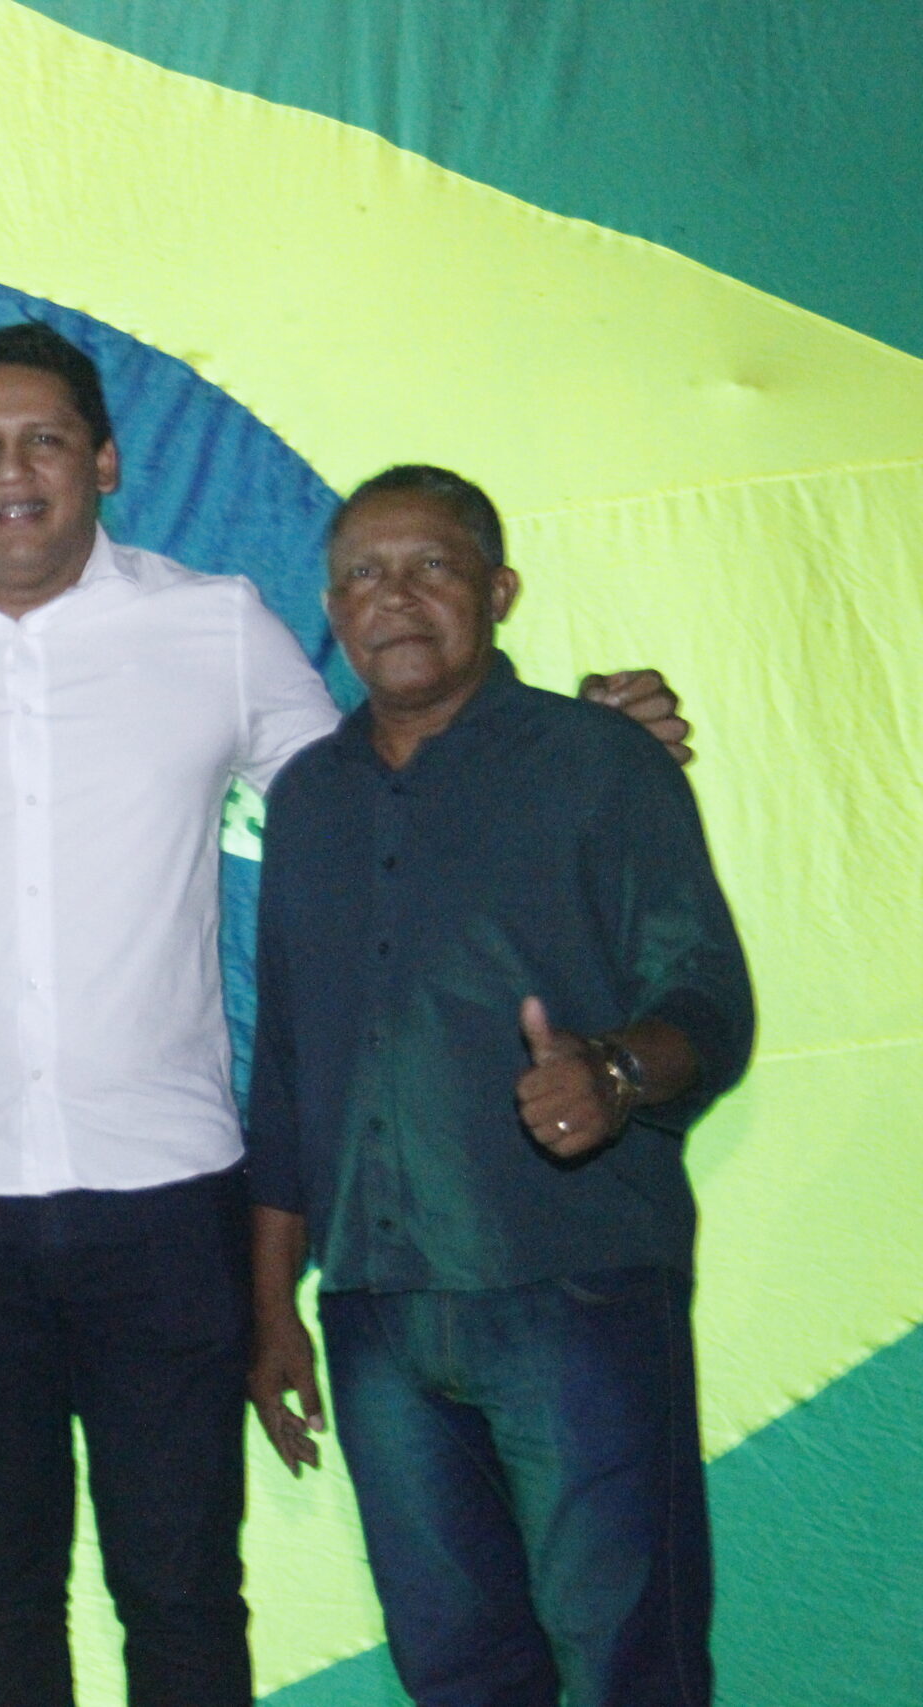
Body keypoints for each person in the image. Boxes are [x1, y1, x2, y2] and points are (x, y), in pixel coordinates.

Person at [0, 323, 697, 1705]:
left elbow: (383, 782)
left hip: (170, 1197)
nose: (13, 471)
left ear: (105, 463)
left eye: (45, 441)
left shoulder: (211, 624)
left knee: (185, 1586)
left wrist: (581, 734)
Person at [244, 466, 751, 1707]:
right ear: (332, 610)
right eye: (363, 575)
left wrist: (615, 1072)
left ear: (499, 590)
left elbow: (710, 1004)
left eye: (431, 566)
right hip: (375, 1310)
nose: (394, 597)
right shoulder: (305, 800)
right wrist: (268, 1307)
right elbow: (288, 1072)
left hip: (575, 1287)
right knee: (456, 1672)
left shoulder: (599, 761)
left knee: (628, 1662)